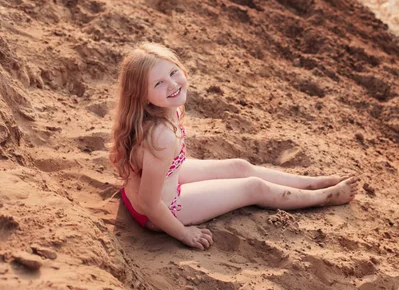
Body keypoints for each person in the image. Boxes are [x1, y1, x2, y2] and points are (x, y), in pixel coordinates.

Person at [109, 43, 359, 250]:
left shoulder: (165, 110)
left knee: (240, 167)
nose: (172, 85)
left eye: (173, 73)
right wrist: (184, 234)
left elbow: (164, 169)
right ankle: (322, 197)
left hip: (167, 181)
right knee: (253, 187)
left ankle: (311, 182)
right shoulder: (160, 137)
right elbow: (150, 204)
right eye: (158, 84)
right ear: (142, 96)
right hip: (160, 211)